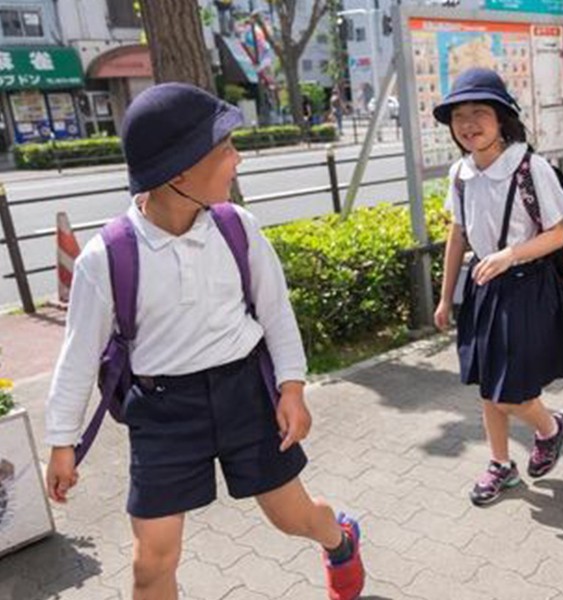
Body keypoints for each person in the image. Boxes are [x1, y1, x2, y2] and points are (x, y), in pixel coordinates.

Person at [44, 83, 364, 600]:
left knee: (293, 517)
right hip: (163, 411)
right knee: (151, 562)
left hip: (245, 395)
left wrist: (292, 388)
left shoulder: (237, 228)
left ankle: (340, 539)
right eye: (225, 149)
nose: (238, 159)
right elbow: (78, 356)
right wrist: (63, 442)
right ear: (178, 172)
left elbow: (276, 313)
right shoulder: (107, 257)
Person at [432, 68, 563, 506]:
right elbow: (458, 234)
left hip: (527, 287)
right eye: (459, 116)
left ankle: (550, 427)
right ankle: (500, 464)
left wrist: (509, 255)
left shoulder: (530, 168)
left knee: (511, 391)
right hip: (484, 287)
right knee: (488, 386)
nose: (468, 124)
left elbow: (559, 234)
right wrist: (445, 297)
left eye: (479, 112)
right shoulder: (461, 174)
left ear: (502, 118)